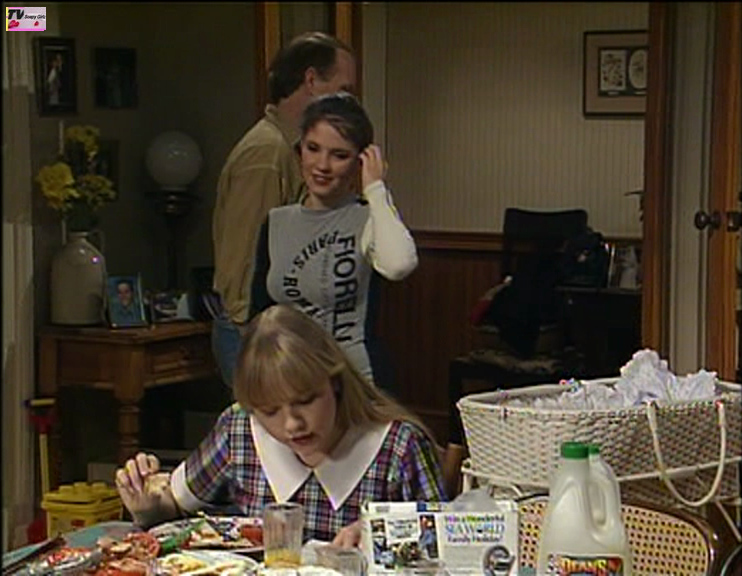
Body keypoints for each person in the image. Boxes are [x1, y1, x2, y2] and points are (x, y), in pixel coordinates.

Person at [114, 304, 446, 546]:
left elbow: (447, 543)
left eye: (306, 401)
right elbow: (175, 506)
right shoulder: (239, 430)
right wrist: (148, 506)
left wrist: (380, 533)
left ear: (334, 382)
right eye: (270, 411)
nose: (292, 424)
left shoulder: (398, 446)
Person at [212, 32, 356, 389]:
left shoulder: (291, 150)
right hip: (253, 332)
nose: (348, 102)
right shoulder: (267, 154)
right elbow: (245, 257)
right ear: (311, 81)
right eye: (343, 90)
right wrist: (256, 337)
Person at [249, 92, 418, 387]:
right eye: (313, 149)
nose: (322, 165)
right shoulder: (276, 222)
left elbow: (399, 265)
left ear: (360, 161)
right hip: (292, 383)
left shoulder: (368, 218)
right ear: (300, 150)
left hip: (356, 384)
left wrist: (375, 188)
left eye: (339, 155)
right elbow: (260, 315)